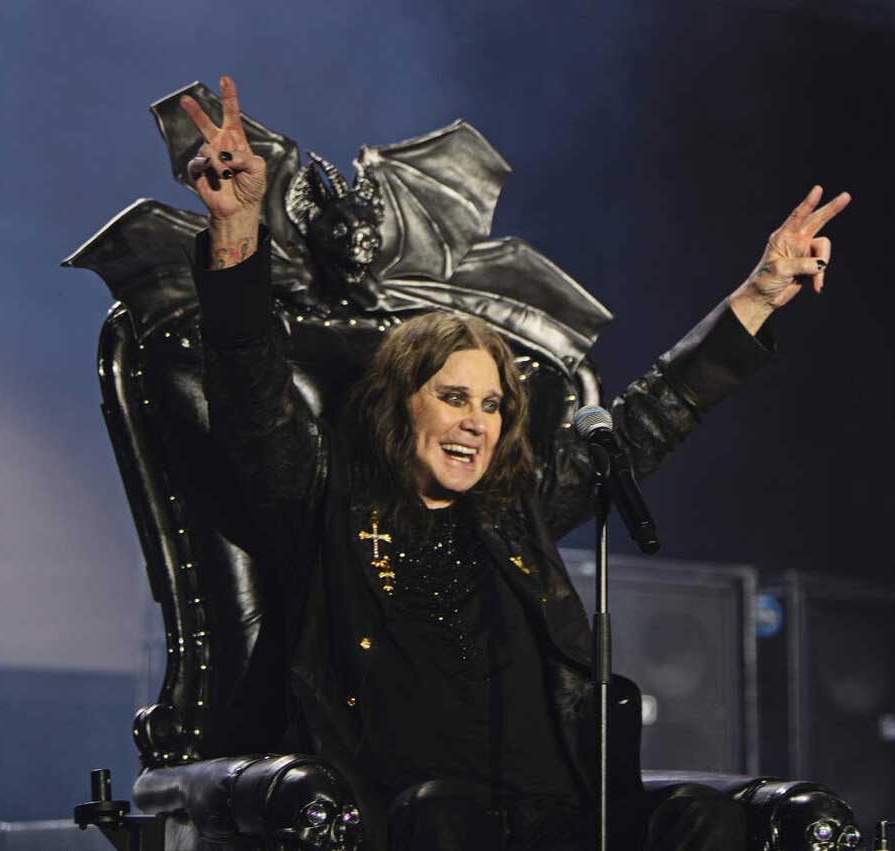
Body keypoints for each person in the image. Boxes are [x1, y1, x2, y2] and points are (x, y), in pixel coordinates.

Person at [180, 76, 850, 851]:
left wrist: (760, 295)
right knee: (447, 815)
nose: (477, 422)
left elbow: (652, 416)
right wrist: (236, 230)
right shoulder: (322, 501)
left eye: (493, 405)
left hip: (557, 817)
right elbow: (249, 394)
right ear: (402, 404)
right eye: (455, 397)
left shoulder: (512, 510)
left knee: (707, 820)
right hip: (417, 821)